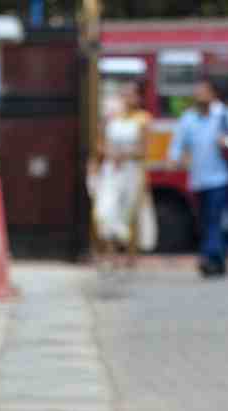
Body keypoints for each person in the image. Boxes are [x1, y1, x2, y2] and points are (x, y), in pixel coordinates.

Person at [167, 78, 228, 277]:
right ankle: (219, 260)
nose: (198, 95)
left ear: (213, 94)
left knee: (214, 219)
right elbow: (178, 144)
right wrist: (174, 160)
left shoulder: (226, 115)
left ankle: (208, 258)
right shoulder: (189, 118)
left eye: (203, 91)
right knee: (204, 221)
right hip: (198, 179)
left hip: (220, 178)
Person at [89, 80, 157, 270]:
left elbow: (143, 150)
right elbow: (100, 144)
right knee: (106, 210)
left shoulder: (143, 119)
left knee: (128, 213)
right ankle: (110, 253)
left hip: (132, 171)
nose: (127, 98)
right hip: (111, 170)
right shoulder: (112, 118)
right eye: (124, 94)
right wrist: (106, 157)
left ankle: (129, 256)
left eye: (131, 94)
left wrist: (124, 156)